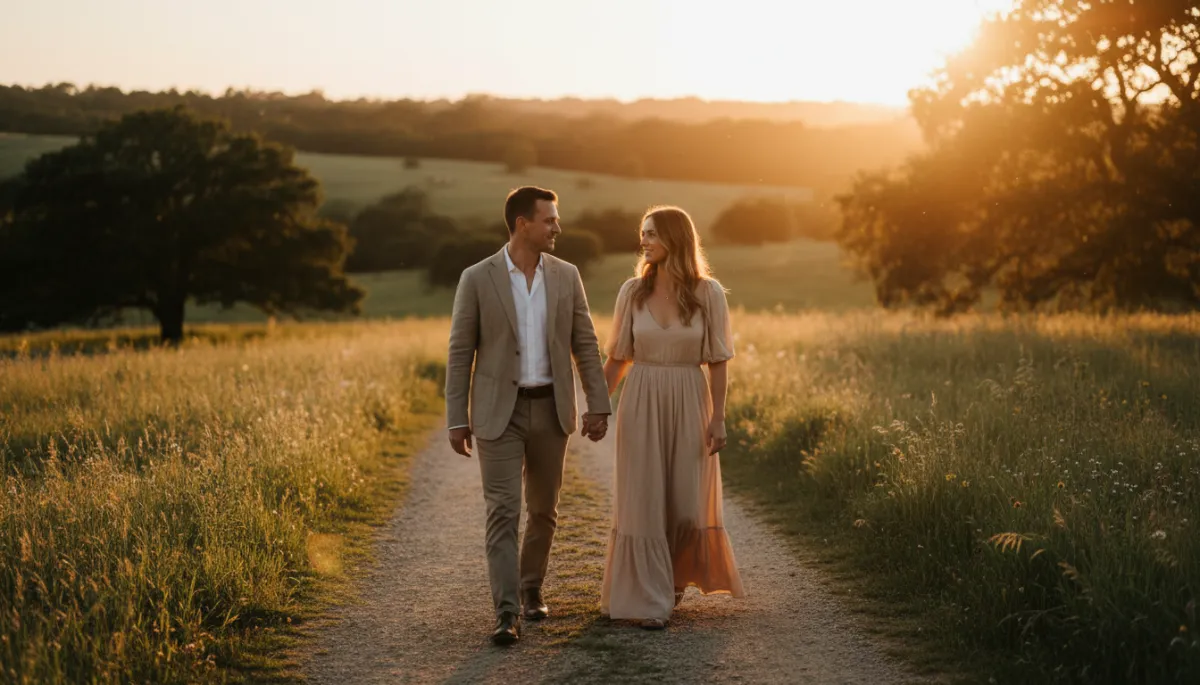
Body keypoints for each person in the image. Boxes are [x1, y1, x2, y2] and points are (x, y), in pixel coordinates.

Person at [445, 186, 611, 645]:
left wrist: (598, 403)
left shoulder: (567, 275)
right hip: (499, 412)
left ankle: (531, 587)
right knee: (502, 511)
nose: (558, 227)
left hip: (552, 409)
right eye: (549, 220)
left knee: (543, 511)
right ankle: (506, 612)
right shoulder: (476, 278)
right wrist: (456, 417)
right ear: (523, 224)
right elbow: (460, 353)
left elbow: (585, 343)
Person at [599, 205, 745, 629]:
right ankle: (650, 597)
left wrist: (719, 417)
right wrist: (594, 405)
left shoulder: (708, 293)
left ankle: (674, 578)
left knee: (685, 505)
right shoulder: (632, 292)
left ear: (675, 238)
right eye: (642, 233)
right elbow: (618, 358)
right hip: (642, 398)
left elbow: (718, 361)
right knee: (643, 501)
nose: (643, 240)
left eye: (651, 233)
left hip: (690, 397)